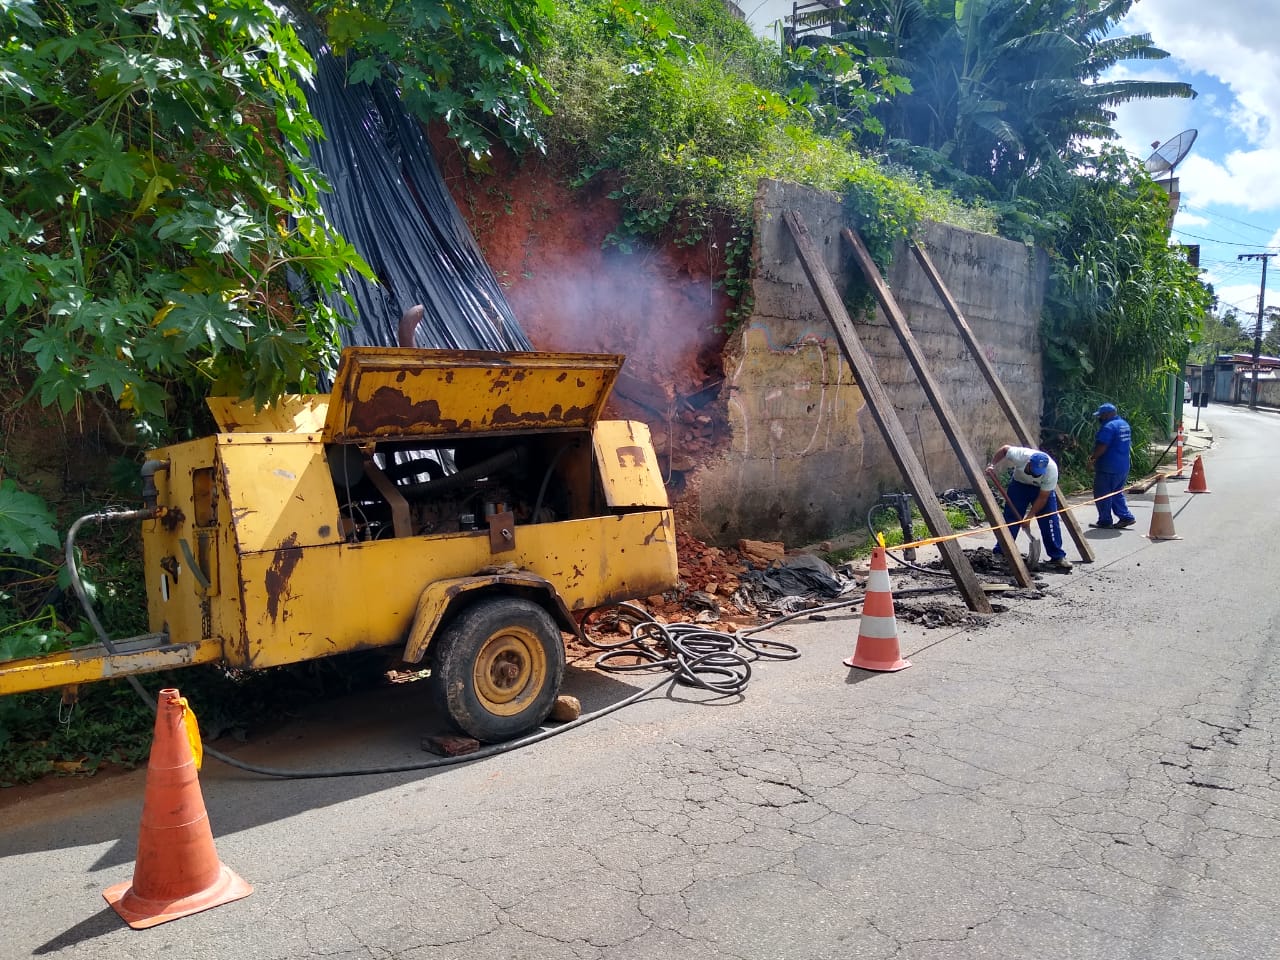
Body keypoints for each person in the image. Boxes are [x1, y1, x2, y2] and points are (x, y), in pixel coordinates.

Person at [985, 444, 1071, 570]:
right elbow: (1004, 449)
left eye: (1038, 473)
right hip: (1019, 486)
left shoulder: (1051, 471)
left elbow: (1042, 498)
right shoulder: (1021, 455)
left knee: (1050, 520)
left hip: (1041, 490)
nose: (1036, 475)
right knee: (1011, 519)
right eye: (1034, 471)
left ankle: (1057, 557)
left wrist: (1029, 517)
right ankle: (1001, 552)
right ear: (1029, 463)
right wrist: (992, 464)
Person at [1086, 402, 1137, 529]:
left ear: (1107, 414)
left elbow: (1102, 446)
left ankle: (1105, 520)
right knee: (1116, 492)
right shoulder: (1124, 424)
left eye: (1101, 415)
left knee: (1102, 493)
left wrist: (1093, 458)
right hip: (1123, 466)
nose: (1100, 418)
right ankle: (1126, 517)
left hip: (1108, 467)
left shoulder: (1108, 427)